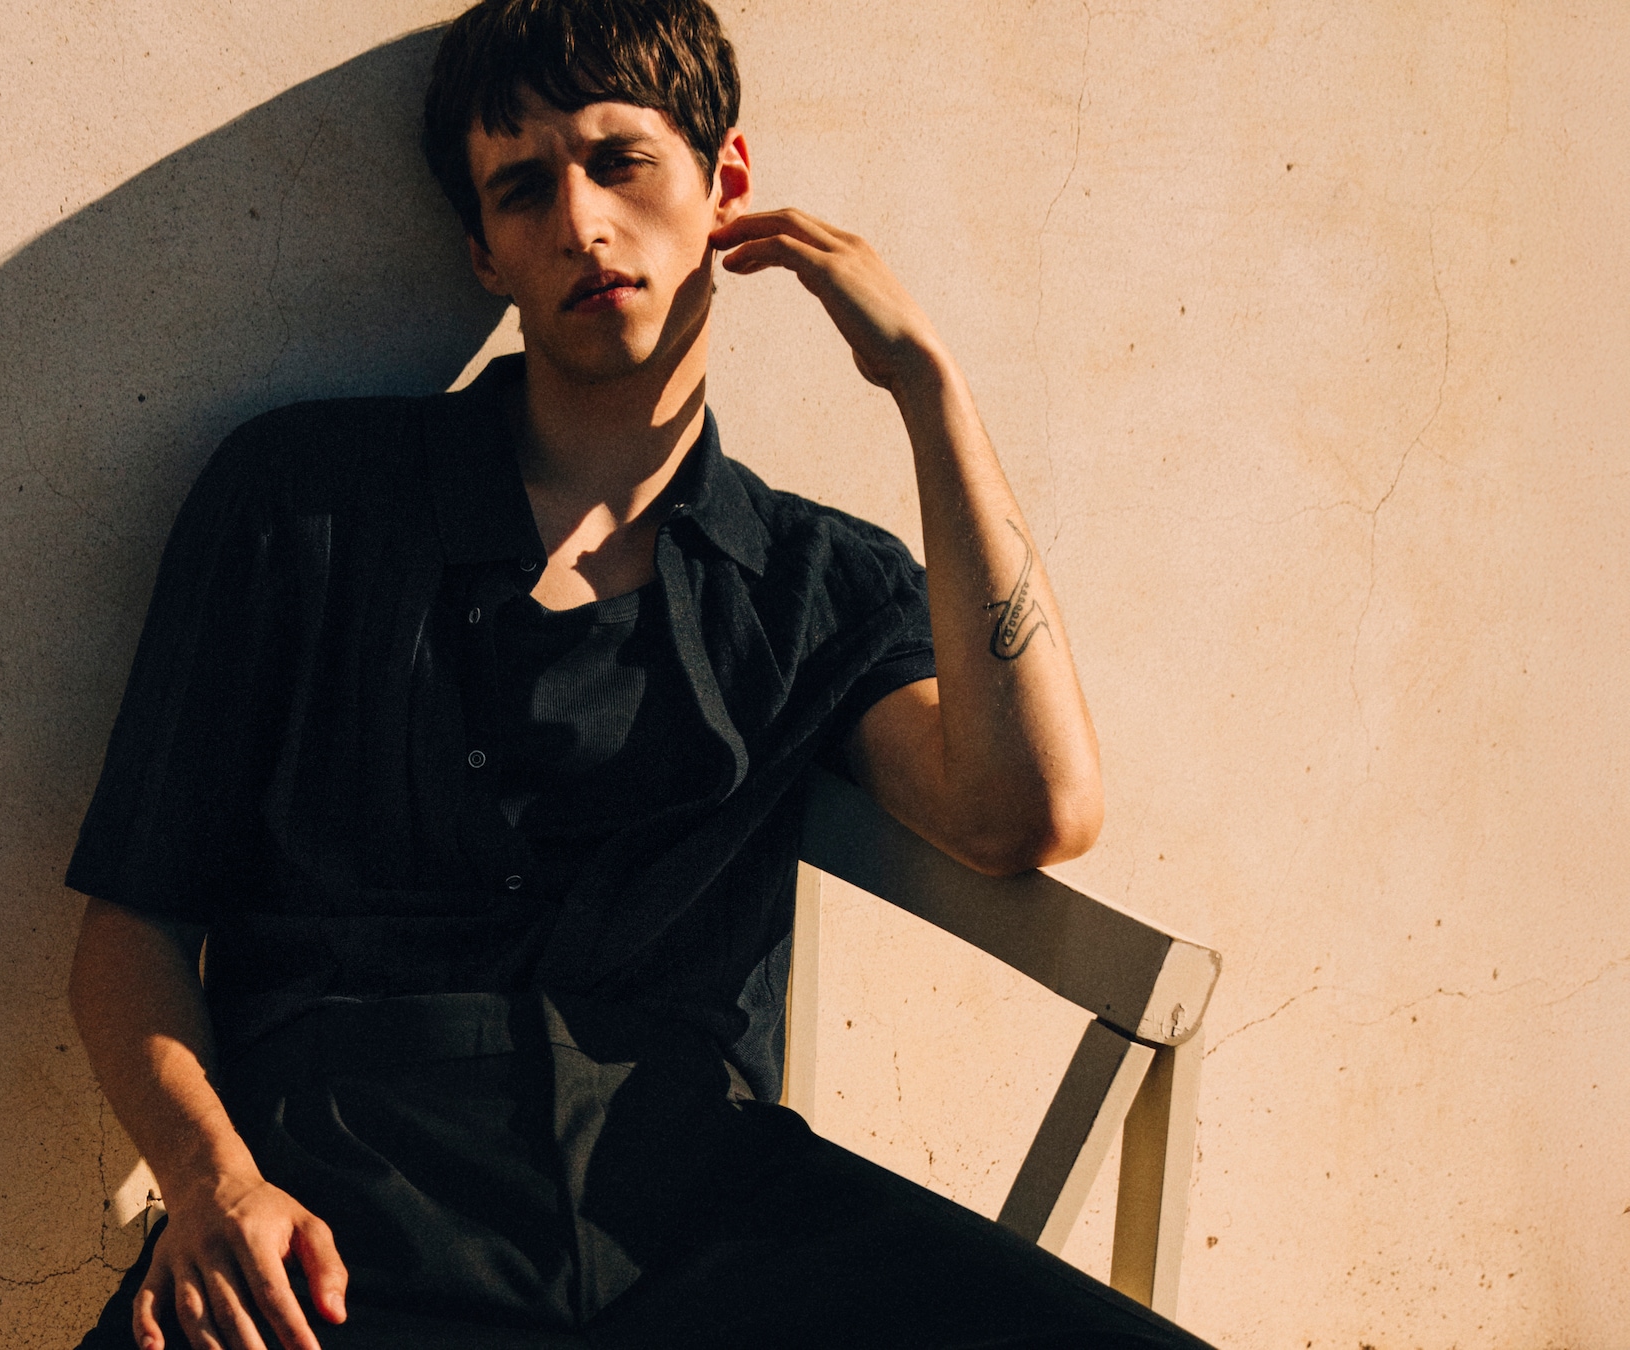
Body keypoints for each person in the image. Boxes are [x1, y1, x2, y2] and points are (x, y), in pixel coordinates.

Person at [65, 2, 1215, 1347]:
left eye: (620, 161)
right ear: (483, 251)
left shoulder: (808, 582)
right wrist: (217, 1183)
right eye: (523, 187)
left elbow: (1030, 810)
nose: (579, 221)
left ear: (726, 184)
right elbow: (129, 928)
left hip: (703, 1218)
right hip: (346, 1215)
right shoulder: (301, 500)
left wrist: (924, 385)